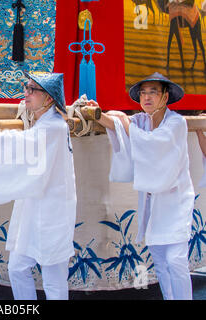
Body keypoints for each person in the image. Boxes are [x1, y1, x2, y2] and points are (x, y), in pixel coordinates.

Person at [0, 72, 77, 300]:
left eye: (32, 90)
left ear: (49, 98)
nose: (25, 93)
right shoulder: (42, 124)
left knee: (53, 278)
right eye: (26, 87)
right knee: (17, 268)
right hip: (33, 206)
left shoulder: (54, 127)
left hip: (53, 211)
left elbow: (13, 143)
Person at [94, 72, 194, 300]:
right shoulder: (140, 121)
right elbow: (118, 125)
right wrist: (96, 111)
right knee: (159, 258)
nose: (146, 97)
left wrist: (126, 123)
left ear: (165, 97)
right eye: (143, 93)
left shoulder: (176, 122)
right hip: (153, 202)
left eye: (153, 92)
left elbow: (154, 144)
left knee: (176, 259)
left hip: (175, 201)